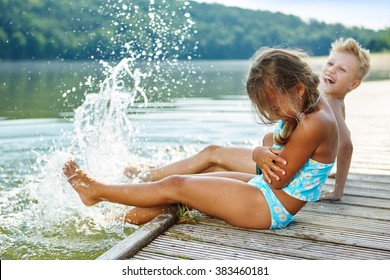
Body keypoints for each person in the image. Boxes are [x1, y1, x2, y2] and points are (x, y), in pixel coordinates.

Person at [64, 48, 338, 230]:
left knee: (178, 185)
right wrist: (265, 148)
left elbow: (278, 178)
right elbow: (278, 149)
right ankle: (113, 222)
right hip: (266, 196)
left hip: (268, 208)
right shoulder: (312, 106)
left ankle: (97, 192)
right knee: (199, 179)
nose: (273, 115)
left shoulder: (313, 124)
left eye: (275, 108)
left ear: (298, 89)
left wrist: (258, 153)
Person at [124, 37, 370, 202]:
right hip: (276, 161)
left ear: (354, 83)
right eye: (330, 63)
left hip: (274, 168)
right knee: (212, 163)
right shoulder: (318, 102)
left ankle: (151, 176)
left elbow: (345, 145)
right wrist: (332, 172)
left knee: (212, 155)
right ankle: (155, 175)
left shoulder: (328, 107)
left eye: (342, 70)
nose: (331, 70)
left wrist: (337, 190)